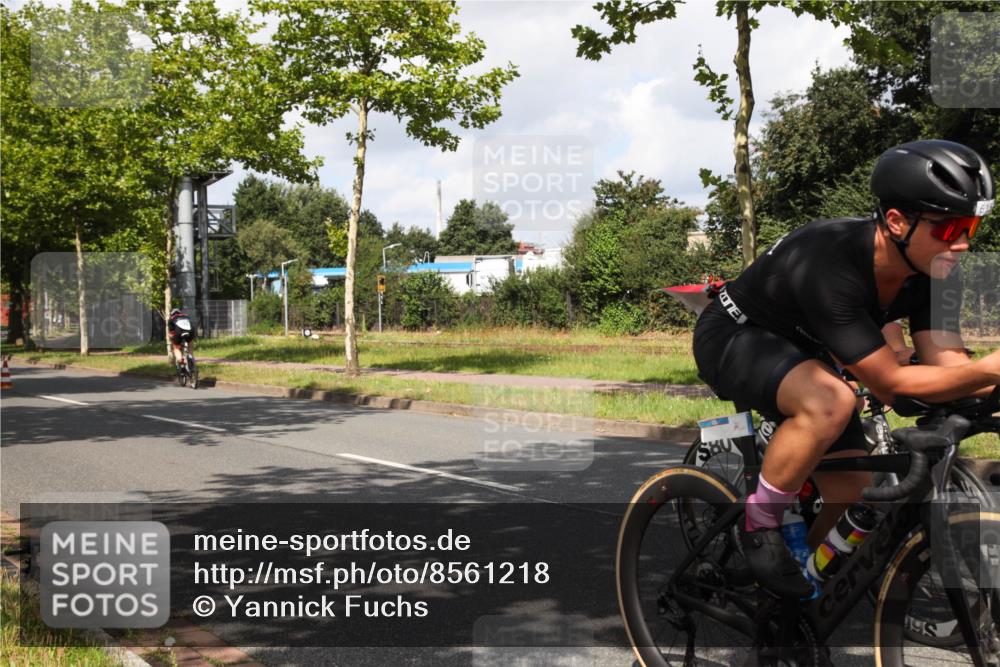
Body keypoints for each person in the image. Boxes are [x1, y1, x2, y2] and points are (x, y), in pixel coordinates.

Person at [692, 139, 998, 599]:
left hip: (808, 350)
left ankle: (789, 599)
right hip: (736, 335)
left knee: (853, 494)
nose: (962, 241)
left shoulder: (935, 266)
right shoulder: (831, 257)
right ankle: (759, 525)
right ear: (896, 221)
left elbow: (947, 361)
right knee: (832, 400)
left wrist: (985, 381)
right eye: (949, 225)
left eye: (971, 225)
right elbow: (891, 383)